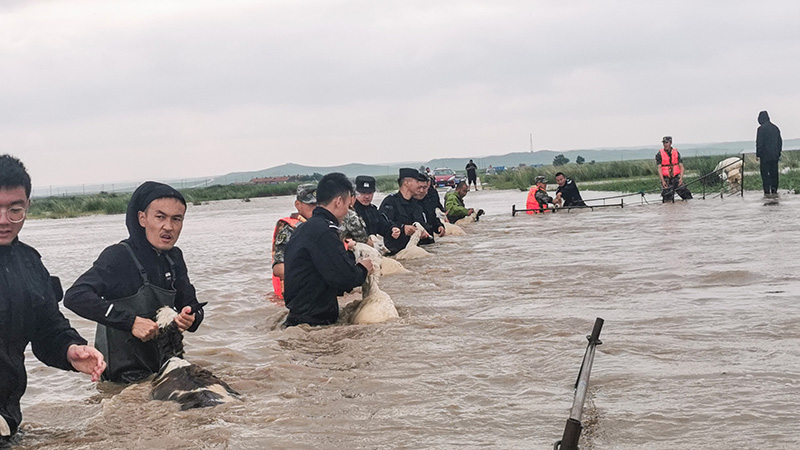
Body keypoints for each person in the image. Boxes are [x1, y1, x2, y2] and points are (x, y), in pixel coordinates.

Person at [0, 154, 105, 441]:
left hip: (6, 420)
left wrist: (71, 350)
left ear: (27, 206)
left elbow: (48, 330)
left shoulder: (31, 264)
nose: (4, 221)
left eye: (14, 210)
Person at [64, 182, 205, 384]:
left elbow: (192, 304)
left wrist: (191, 318)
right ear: (142, 218)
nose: (169, 226)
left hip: (164, 369)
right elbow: (75, 297)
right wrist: (130, 322)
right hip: (121, 377)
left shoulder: (174, 258)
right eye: (160, 217)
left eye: (177, 219)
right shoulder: (118, 256)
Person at [283, 173, 374, 327]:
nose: (347, 211)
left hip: (299, 317)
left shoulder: (304, 228)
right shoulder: (324, 231)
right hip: (314, 322)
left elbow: (326, 270)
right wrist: (363, 269)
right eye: (347, 205)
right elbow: (343, 278)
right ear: (339, 201)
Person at [271, 184, 317, 300]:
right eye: (311, 204)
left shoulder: (325, 226)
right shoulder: (289, 231)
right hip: (297, 295)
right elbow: (278, 268)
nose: (316, 208)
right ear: (298, 205)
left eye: (318, 204)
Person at [379, 168, 431, 254]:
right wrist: (402, 228)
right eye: (417, 182)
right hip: (394, 253)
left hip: (414, 251)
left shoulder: (416, 204)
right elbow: (382, 224)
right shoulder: (390, 201)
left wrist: (423, 232)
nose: (419, 186)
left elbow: (423, 223)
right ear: (407, 183)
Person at [352, 175, 401, 242]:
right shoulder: (350, 211)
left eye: (370, 193)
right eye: (363, 193)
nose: (366, 196)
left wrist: (393, 229)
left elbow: (383, 225)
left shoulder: (373, 211)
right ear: (356, 193)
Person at [656, 136, 692, 202]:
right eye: (664, 143)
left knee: (687, 196)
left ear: (670, 143)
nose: (665, 144)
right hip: (666, 179)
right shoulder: (659, 154)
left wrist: (681, 179)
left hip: (676, 178)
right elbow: (659, 169)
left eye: (666, 142)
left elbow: (681, 167)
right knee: (667, 200)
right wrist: (663, 181)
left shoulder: (676, 153)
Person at [756, 110, 782, 196]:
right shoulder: (775, 128)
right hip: (775, 156)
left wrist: (758, 154)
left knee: (765, 175)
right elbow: (780, 142)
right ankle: (774, 190)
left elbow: (759, 143)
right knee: (774, 174)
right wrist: (778, 153)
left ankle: (767, 192)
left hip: (765, 157)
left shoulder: (761, 129)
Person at [414, 174, 445, 244]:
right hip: (415, 244)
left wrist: (439, 226)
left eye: (424, 187)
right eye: (419, 188)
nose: (421, 191)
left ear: (428, 185)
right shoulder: (408, 203)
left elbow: (432, 217)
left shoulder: (429, 199)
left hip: (429, 242)